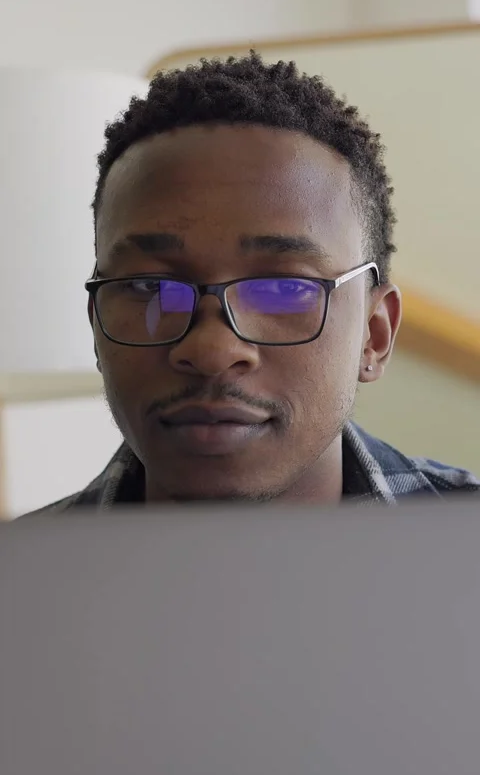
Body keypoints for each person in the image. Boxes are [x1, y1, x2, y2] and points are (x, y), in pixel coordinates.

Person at [41, 53, 479, 511]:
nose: (212, 351)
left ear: (374, 335)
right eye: (151, 287)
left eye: (284, 289)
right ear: (96, 326)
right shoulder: (20, 558)